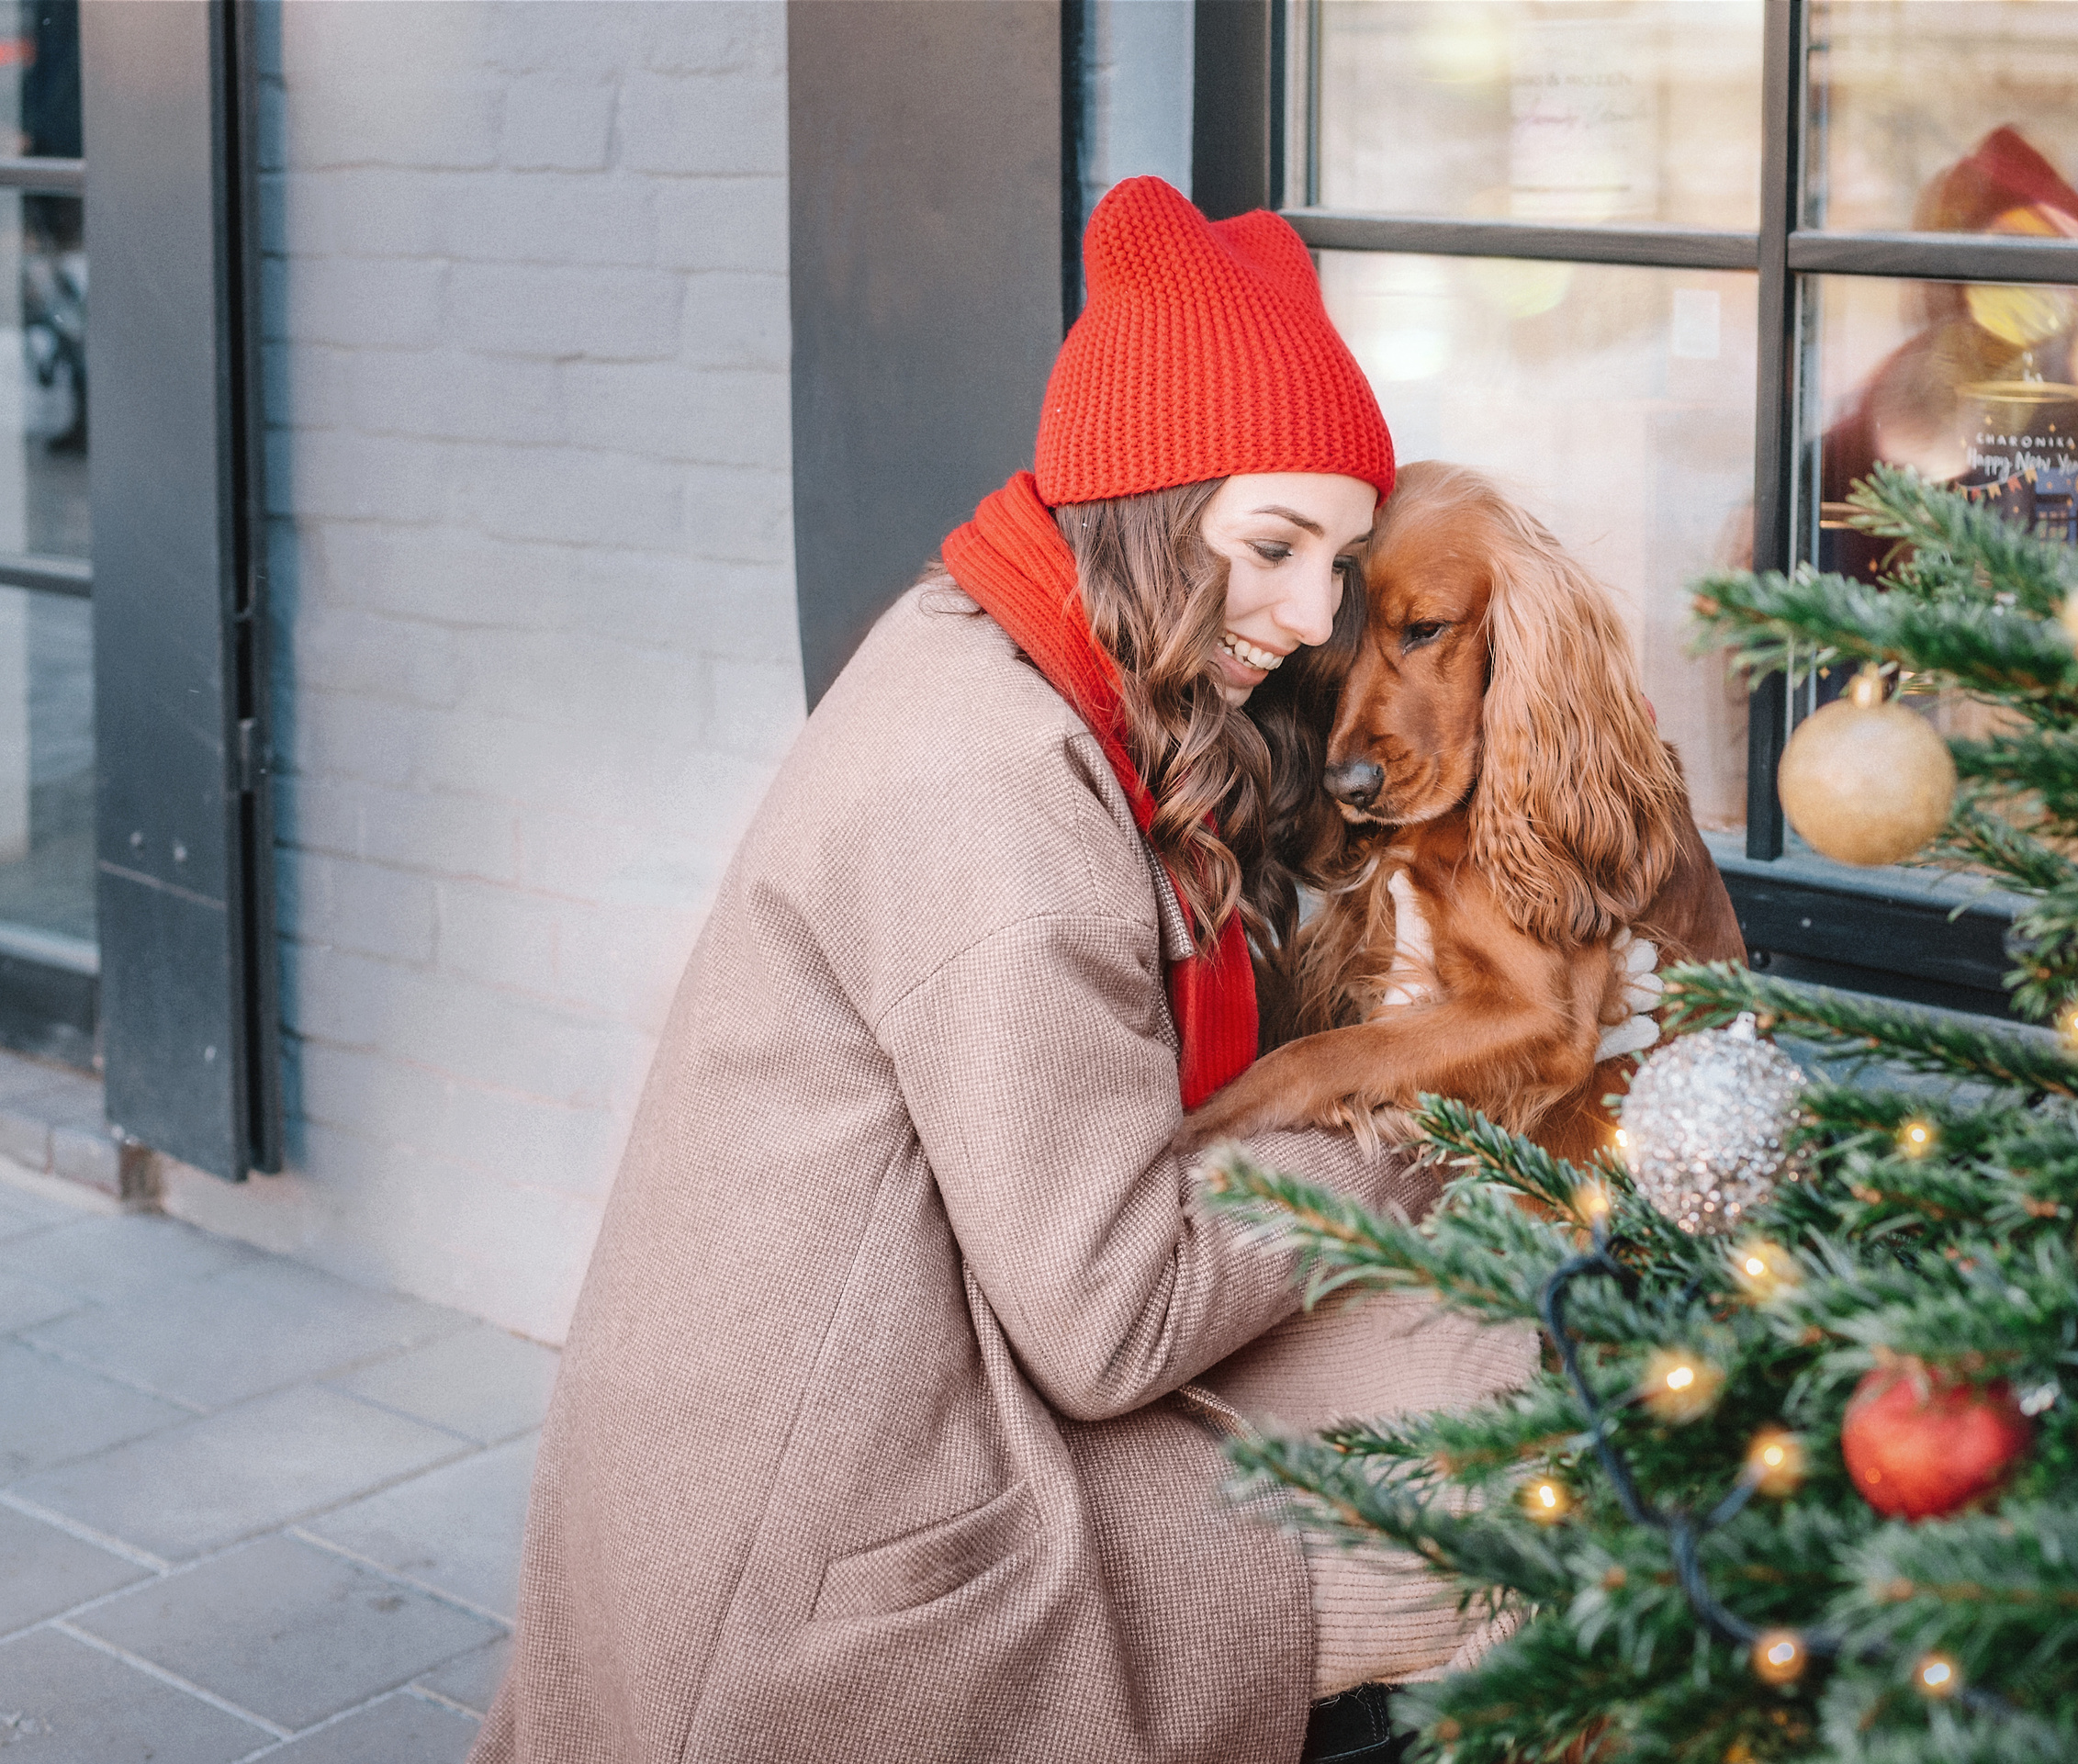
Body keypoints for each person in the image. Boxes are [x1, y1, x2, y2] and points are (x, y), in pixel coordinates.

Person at [472, 176, 1542, 1764]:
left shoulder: (1007, 641)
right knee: (1495, 1434)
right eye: (1274, 543)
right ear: (1142, 503)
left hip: (887, 1378)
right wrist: (1392, 1123)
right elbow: (1113, 1320)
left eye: (1343, 557)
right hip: (823, 1556)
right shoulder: (992, 784)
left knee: (1473, 1337)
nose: (1316, 613)